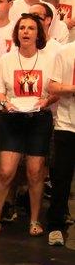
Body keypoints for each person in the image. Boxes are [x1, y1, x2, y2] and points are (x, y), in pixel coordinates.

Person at [0, 14, 60, 238]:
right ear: (16, 34)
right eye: (22, 29)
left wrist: (46, 101)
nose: (26, 32)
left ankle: (34, 220)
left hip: (39, 119)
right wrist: (5, 102)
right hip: (12, 117)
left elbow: (56, 91)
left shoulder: (50, 59)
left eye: (31, 28)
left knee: (35, 172)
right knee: (5, 170)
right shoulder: (5, 60)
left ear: (39, 33)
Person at [46, 37, 75, 246]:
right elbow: (52, 86)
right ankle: (55, 226)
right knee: (61, 177)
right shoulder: (65, 52)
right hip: (68, 124)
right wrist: (73, 88)